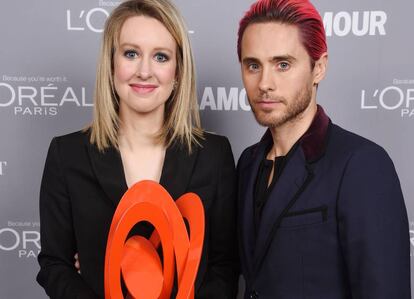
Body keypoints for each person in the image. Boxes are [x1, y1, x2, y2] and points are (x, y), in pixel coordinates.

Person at [36, 0, 239, 298]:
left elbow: (225, 266)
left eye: (160, 56)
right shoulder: (66, 155)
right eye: (131, 54)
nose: (145, 71)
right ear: (111, 64)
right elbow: (54, 265)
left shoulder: (214, 155)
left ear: (178, 70)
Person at [236, 0, 411, 298]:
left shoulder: (362, 165)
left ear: (319, 68)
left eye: (283, 64)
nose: (265, 83)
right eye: (253, 65)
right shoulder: (248, 162)